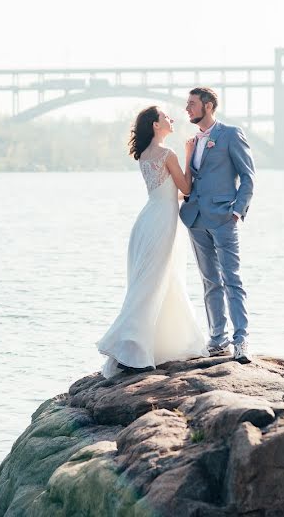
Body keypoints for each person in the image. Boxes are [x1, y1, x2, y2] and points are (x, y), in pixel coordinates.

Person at [97, 106, 209, 378]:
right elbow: (186, 188)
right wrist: (190, 155)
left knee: (157, 282)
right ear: (156, 125)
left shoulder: (145, 155)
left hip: (148, 220)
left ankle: (148, 347)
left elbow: (169, 192)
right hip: (160, 223)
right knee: (152, 284)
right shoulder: (167, 154)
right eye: (166, 117)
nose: (171, 119)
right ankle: (128, 348)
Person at [180, 87, 255, 363]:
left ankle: (241, 340)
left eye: (192, 104)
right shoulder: (193, 141)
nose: (187, 109)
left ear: (208, 106)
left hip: (224, 217)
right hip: (195, 218)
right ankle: (217, 339)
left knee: (232, 280)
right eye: (187, 104)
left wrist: (237, 212)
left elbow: (248, 177)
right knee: (210, 281)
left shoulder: (230, 134)